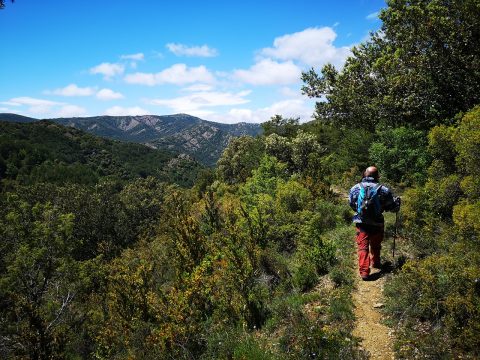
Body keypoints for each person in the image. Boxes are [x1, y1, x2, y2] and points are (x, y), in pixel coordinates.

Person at [348, 166, 400, 280]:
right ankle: (376, 263)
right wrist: (397, 205)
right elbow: (391, 207)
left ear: (364, 174)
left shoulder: (355, 188)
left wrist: (360, 212)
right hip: (377, 223)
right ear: (377, 176)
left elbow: (351, 204)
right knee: (376, 245)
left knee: (363, 247)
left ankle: (364, 272)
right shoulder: (384, 189)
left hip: (361, 223)